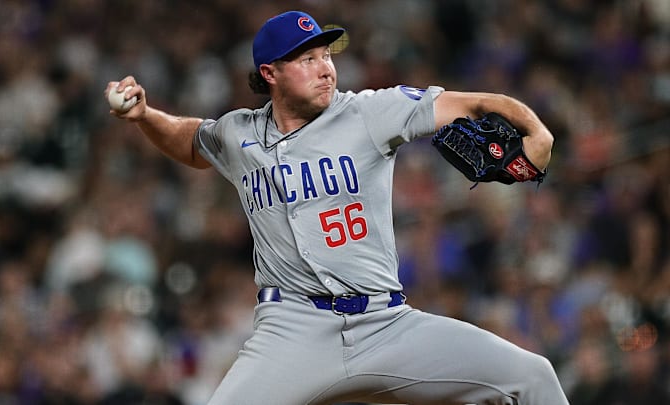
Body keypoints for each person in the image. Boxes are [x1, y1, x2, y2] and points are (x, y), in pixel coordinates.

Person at [105, 10, 568, 405]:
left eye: (327, 55)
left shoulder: (369, 112)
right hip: (291, 330)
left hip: (385, 324)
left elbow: (478, 103)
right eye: (307, 59)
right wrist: (146, 116)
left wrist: (536, 133)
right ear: (270, 73)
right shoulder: (237, 133)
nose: (326, 68)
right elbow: (190, 141)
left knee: (533, 378)